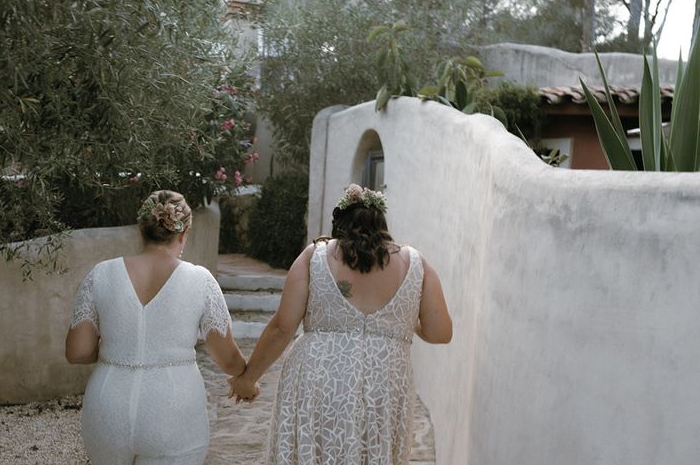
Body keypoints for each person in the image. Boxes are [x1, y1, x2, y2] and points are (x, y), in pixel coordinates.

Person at [228, 183, 452, 464]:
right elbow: (440, 332)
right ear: (382, 223)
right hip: (384, 386)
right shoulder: (416, 263)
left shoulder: (316, 256)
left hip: (318, 381)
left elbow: (282, 327)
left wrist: (248, 379)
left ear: (340, 224)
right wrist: (402, 321)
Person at [65, 189, 258, 464]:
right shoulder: (200, 280)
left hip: (108, 406)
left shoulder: (102, 274)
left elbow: (77, 352)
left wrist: (118, 349)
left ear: (141, 230)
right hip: (173, 409)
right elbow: (227, 358)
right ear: (184, 234)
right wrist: (246, 377)